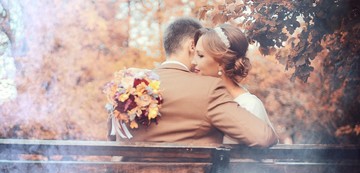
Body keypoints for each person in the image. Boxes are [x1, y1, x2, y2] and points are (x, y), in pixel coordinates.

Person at [112, 17, 278, 147]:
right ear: (192, 46)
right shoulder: (207, 90)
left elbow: (113, 138)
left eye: (201, 56)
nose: (195, 63)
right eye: (197, 54)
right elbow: (263, 137)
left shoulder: (128, 86)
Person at [192, 24, 277, 143]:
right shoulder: (203, 99)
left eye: (200, 55)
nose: (193, 61)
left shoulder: (250, 106)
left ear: (221, 62)